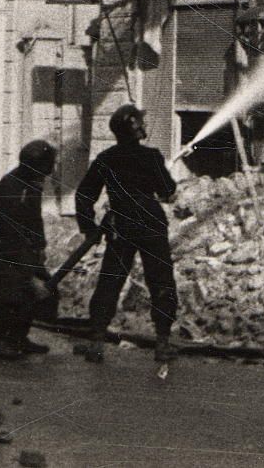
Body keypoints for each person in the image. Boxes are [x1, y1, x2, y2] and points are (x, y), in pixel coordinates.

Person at [73, 104, 179, 364]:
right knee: (161, 280)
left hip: (122, 225)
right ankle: (162, 343)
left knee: (110, 280)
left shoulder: (106, 158)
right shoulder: (152, 156)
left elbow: (84, 194)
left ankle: (97, 341)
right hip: (152, 224)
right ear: (136, 128)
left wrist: (89, 228)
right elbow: (168, 192)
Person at [0, 139, 59, 361]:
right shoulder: (15, 191)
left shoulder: (31, 182)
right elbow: (13, 240)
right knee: (10, 287)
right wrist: (29, 276)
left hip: (10, 244)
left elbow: (33, 222)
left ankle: (18, 337)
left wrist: (40, 247)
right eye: (49, 164)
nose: (52, 169)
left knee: (40, 287)